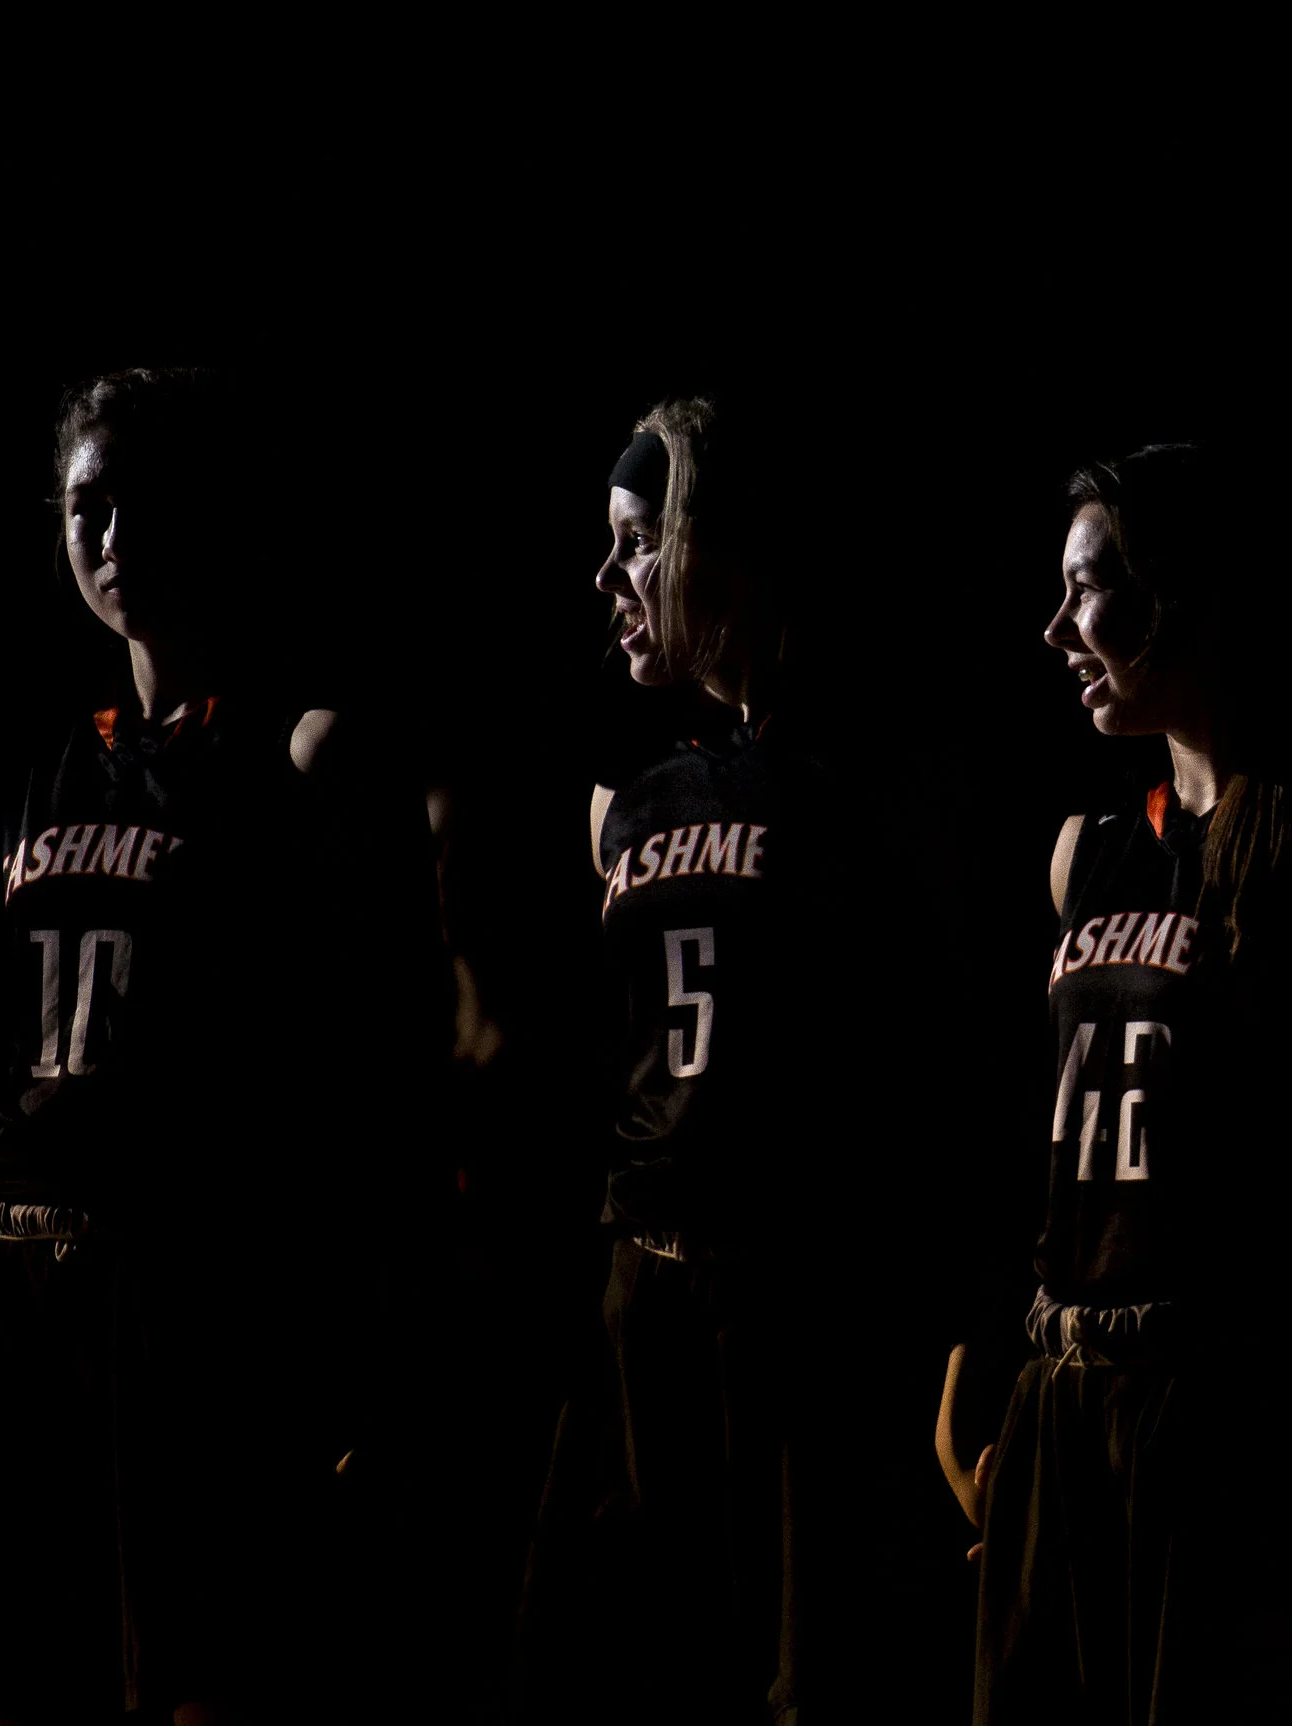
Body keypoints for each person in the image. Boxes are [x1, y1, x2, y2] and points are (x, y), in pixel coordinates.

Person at [0, 367, 431, 1722]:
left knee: (182, 1677)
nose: (116, 533)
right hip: (11, 1281)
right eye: (89, 505)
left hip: (179, 1293)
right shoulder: (43, 765)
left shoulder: (293, 751)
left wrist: (345, 1332)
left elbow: (369, 1065)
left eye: (146, 500)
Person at [941, 444, 1292, 1723]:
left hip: (1215, 1415)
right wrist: (979, 1362)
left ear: (1188, 594)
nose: (1055, 627)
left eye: (1090, 591)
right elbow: (1036, 1134)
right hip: (1062, 1397)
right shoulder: (1086, 851)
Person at [519, 395, 871, 1724]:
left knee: (794, 1672)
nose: (608, 579)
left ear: (716, 544)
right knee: (604, 1654)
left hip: (782, 1300)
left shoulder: (849, 775)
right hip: (640, 1285)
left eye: (634, 542)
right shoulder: (637, 793)